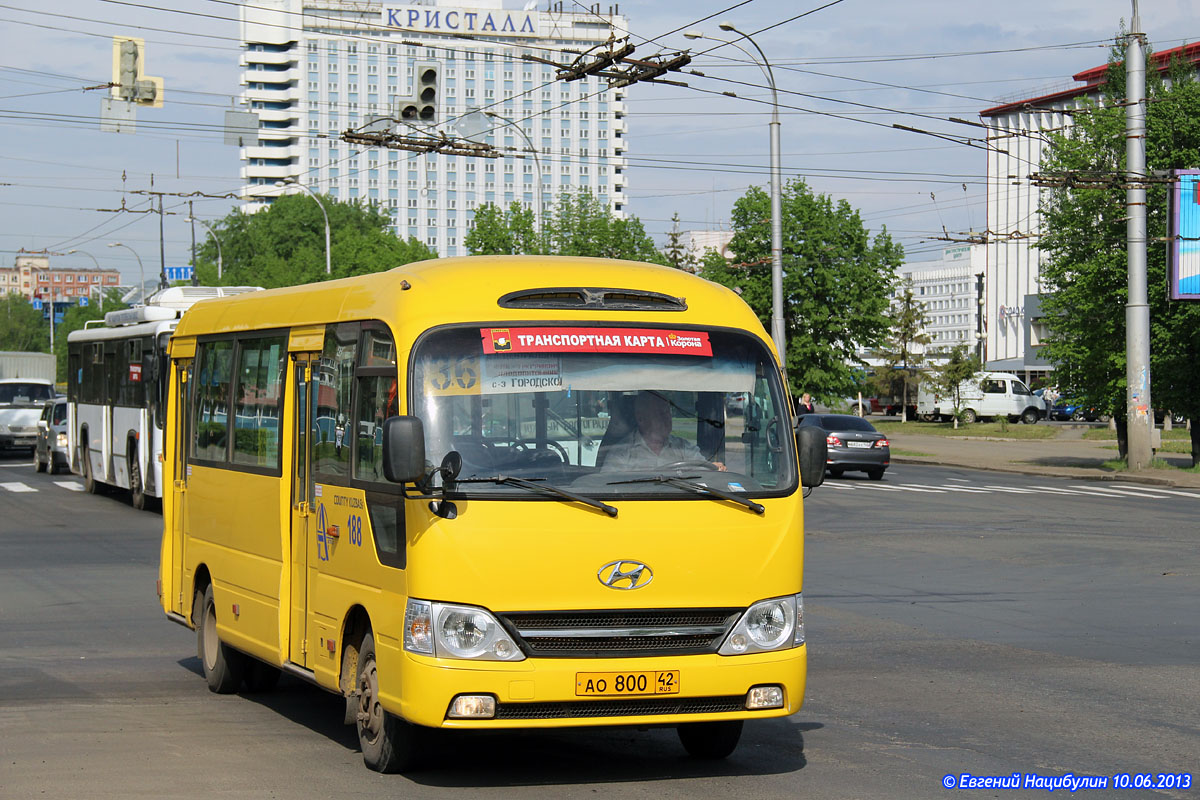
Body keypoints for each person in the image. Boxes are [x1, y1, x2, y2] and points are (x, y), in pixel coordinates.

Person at [602, 392, 725, 471]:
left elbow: (703, 469)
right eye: (660, 413)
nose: (667, 418)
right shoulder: (622, 453)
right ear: (641, 419)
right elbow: (607, 486)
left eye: (668, 412)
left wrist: (714, 470)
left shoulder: (683, 447)